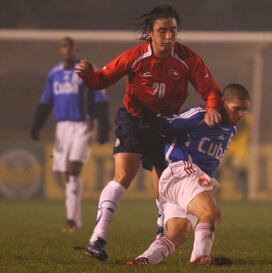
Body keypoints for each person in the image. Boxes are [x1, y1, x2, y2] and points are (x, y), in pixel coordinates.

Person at [75, 4, 222, 260]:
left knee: (163, 187)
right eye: (162, 30)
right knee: (124, 174)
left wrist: (211, 107)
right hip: (133, 120)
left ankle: (158, 235)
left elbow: (209, 88)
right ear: (150, 33)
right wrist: (89, 77)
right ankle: (97, 238)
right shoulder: (135, 56)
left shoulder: (188, 59)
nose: (168, 36)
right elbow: (102, 79)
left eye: (173, 30)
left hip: (165, 127)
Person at [125, 83, 250, 265]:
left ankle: (143, 260)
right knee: (210, 213)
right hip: (183, 171)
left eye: (244, 110)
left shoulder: (232, 128)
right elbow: (167, 125)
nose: (240, 114)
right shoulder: (200, 115)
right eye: (236, 108)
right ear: (223, 103)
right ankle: (200, 258)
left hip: (195, 182)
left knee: (179, 233)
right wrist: (146, 139)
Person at [30, 37, 110, 233]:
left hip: (84, 125)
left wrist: (104, 127)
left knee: (73, 169)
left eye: (71, 46)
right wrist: (36, 126)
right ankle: (74, 219)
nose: (68, 49)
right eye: (64, 46)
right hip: (62, 128)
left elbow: (101, 99)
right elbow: (46, 102)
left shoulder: (85, 69)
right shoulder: (54, 74)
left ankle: (72, 221)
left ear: (76, 49)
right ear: (60, 50)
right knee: (67, 173)